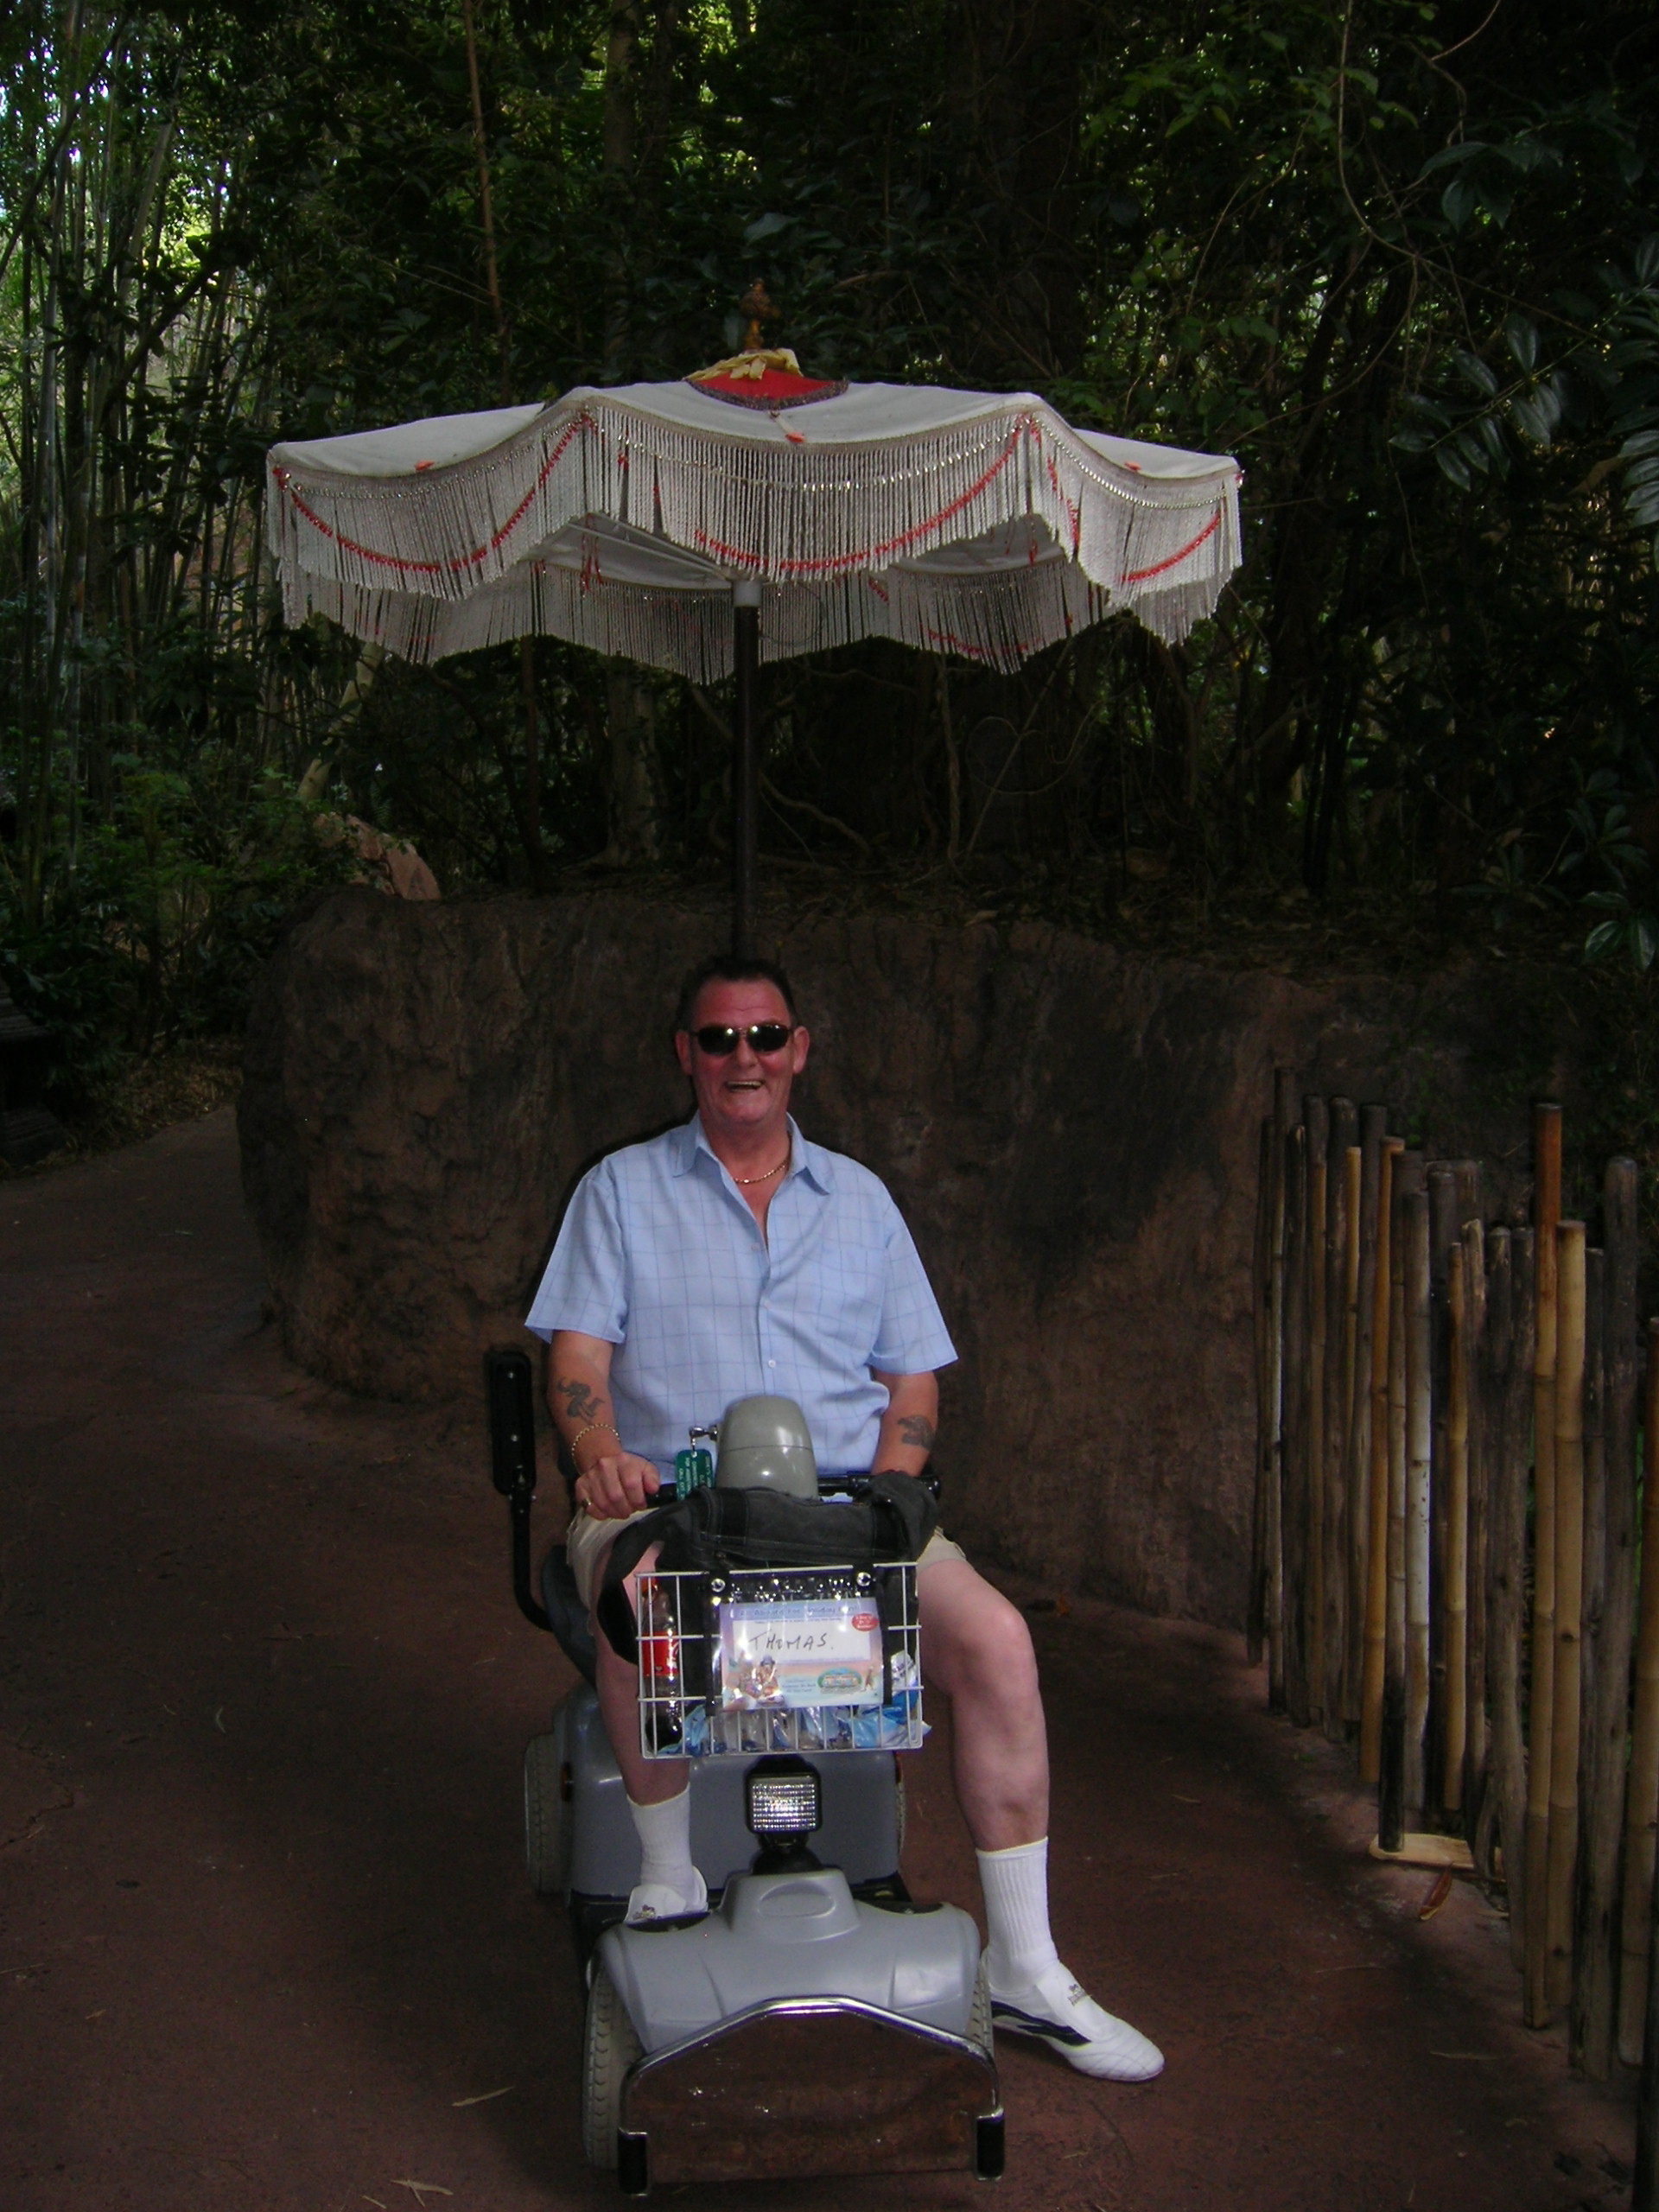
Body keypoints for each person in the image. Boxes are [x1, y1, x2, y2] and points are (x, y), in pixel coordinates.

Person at [524, 953, 1162, 2082]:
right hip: (678, 1501)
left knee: (1000, 1645)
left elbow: (914, 1381)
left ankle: (1024, 1962)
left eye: (765, 1036)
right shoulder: (620, 1191)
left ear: (799, 1049)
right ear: (687, 1055)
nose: (744, 1059)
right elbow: (577, 1358)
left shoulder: (861, 1203)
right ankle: (666, 1876)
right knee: (639, 1599)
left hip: (841, 1513)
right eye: (719, 1039)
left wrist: (893, 1487)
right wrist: (598, 1455)